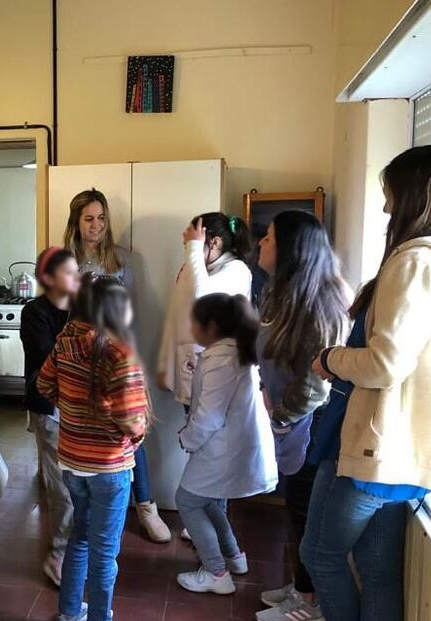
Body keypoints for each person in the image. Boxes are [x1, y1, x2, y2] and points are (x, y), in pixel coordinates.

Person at [301, 145, 431, 621]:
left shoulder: (416, 262)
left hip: (382, 449)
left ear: (416, 198)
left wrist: (331, 359)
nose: (385, 209)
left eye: (390, 196)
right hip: (409, 452)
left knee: (319, 555)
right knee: (378, 574)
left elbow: (385, 362)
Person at [37, 273, 148, 621]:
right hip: (109, 467)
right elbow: (133, 420)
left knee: (79, 537)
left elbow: (44, 385)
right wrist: (131, 436)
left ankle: (67, 614)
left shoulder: (64, 342)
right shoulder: (120, 352)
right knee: (105, 551)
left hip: (71, 460)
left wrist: (73, 414)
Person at [253, 210, 349, 621]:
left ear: (291, 250)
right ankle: (301, 586)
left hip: (312, 423)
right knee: (297, 506)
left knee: (304, 510)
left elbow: (316, 383)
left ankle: (310, 603)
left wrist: (282, 416)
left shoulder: (318, 303)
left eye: (270, 238)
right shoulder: (286, 294)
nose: (261, 244)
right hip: (292, 420)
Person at [64, 189, 169, 544]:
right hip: (79, 361)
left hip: (119, 357)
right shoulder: (64, 262)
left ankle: (147, 507)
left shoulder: (122, 260)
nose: (97, 226)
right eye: (89, 219)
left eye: (102, 218)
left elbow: (131, 312)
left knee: (130, 434)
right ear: (76, 223)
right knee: (85, 436)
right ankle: (86, 512)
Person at [175, 293, 277, 596]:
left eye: (194, 321)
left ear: (212, 326)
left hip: (223, 448)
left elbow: (209, 416)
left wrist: (186, 438)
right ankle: (233, 557)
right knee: (206, 499)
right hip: (232, 446)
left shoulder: (220, 359)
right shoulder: (234, 352)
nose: (190, 327)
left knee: (188, 501)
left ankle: (216, 571)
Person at [20, 246, 81, 587]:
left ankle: (72, 550)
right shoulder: (34, 312)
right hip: (50, 409)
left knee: (78, 485)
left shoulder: (81, 309)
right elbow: (50, 358)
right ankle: (58, 555)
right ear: (48, 279)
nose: (77, 279)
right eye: (69, 273)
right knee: (62, 488)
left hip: (78, 408)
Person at [158, 213, 253, 407]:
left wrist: (193, 249)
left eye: (194, 244)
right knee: (192, 424)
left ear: (215, 243)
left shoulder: (237, 270)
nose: (189, 250)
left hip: (218, 372)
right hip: (190, 366)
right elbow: (175, 314)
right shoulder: (194, 269)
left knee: (206, 429)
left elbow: (203, 299)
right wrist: (165, 364)